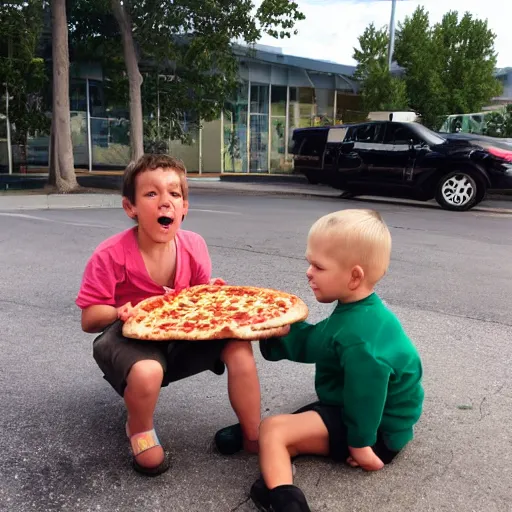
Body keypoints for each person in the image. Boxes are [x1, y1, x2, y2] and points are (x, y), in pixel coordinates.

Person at [76, 154, 285, 476]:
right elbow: (89, 319)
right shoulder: (110, 254)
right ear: (130, 208)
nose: (165, 203)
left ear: (185, 207)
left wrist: (214, 296)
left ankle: (252, 433)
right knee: (148, 373)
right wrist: (119, 311)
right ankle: (139, 427)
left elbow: (198, 306)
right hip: (127, 335)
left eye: (174, 194)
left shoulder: (194, 245)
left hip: (179, 332)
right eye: (151, 194)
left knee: (238, 348)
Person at [249, 209, 424, 511]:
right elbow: (318, 341)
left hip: (378, 430)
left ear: (354, 276)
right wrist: (279, 330)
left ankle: (284, 500)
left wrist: (362, 446)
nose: (308, 272)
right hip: (362, 412)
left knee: (273, 430)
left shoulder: (360, 340)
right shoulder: (359, 311)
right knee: (293, 423)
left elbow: (366, 397)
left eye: (318, 266)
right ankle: (267, 445)